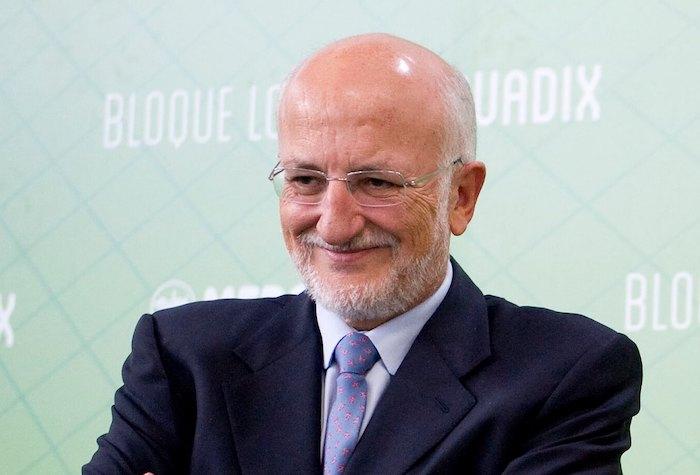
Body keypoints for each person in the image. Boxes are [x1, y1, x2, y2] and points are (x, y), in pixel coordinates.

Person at [85, 33, 642, 474]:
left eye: (376, 182)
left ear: (461, 196)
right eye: (305, 180)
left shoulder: (566, 375)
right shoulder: (182, 357)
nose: (334, 224)